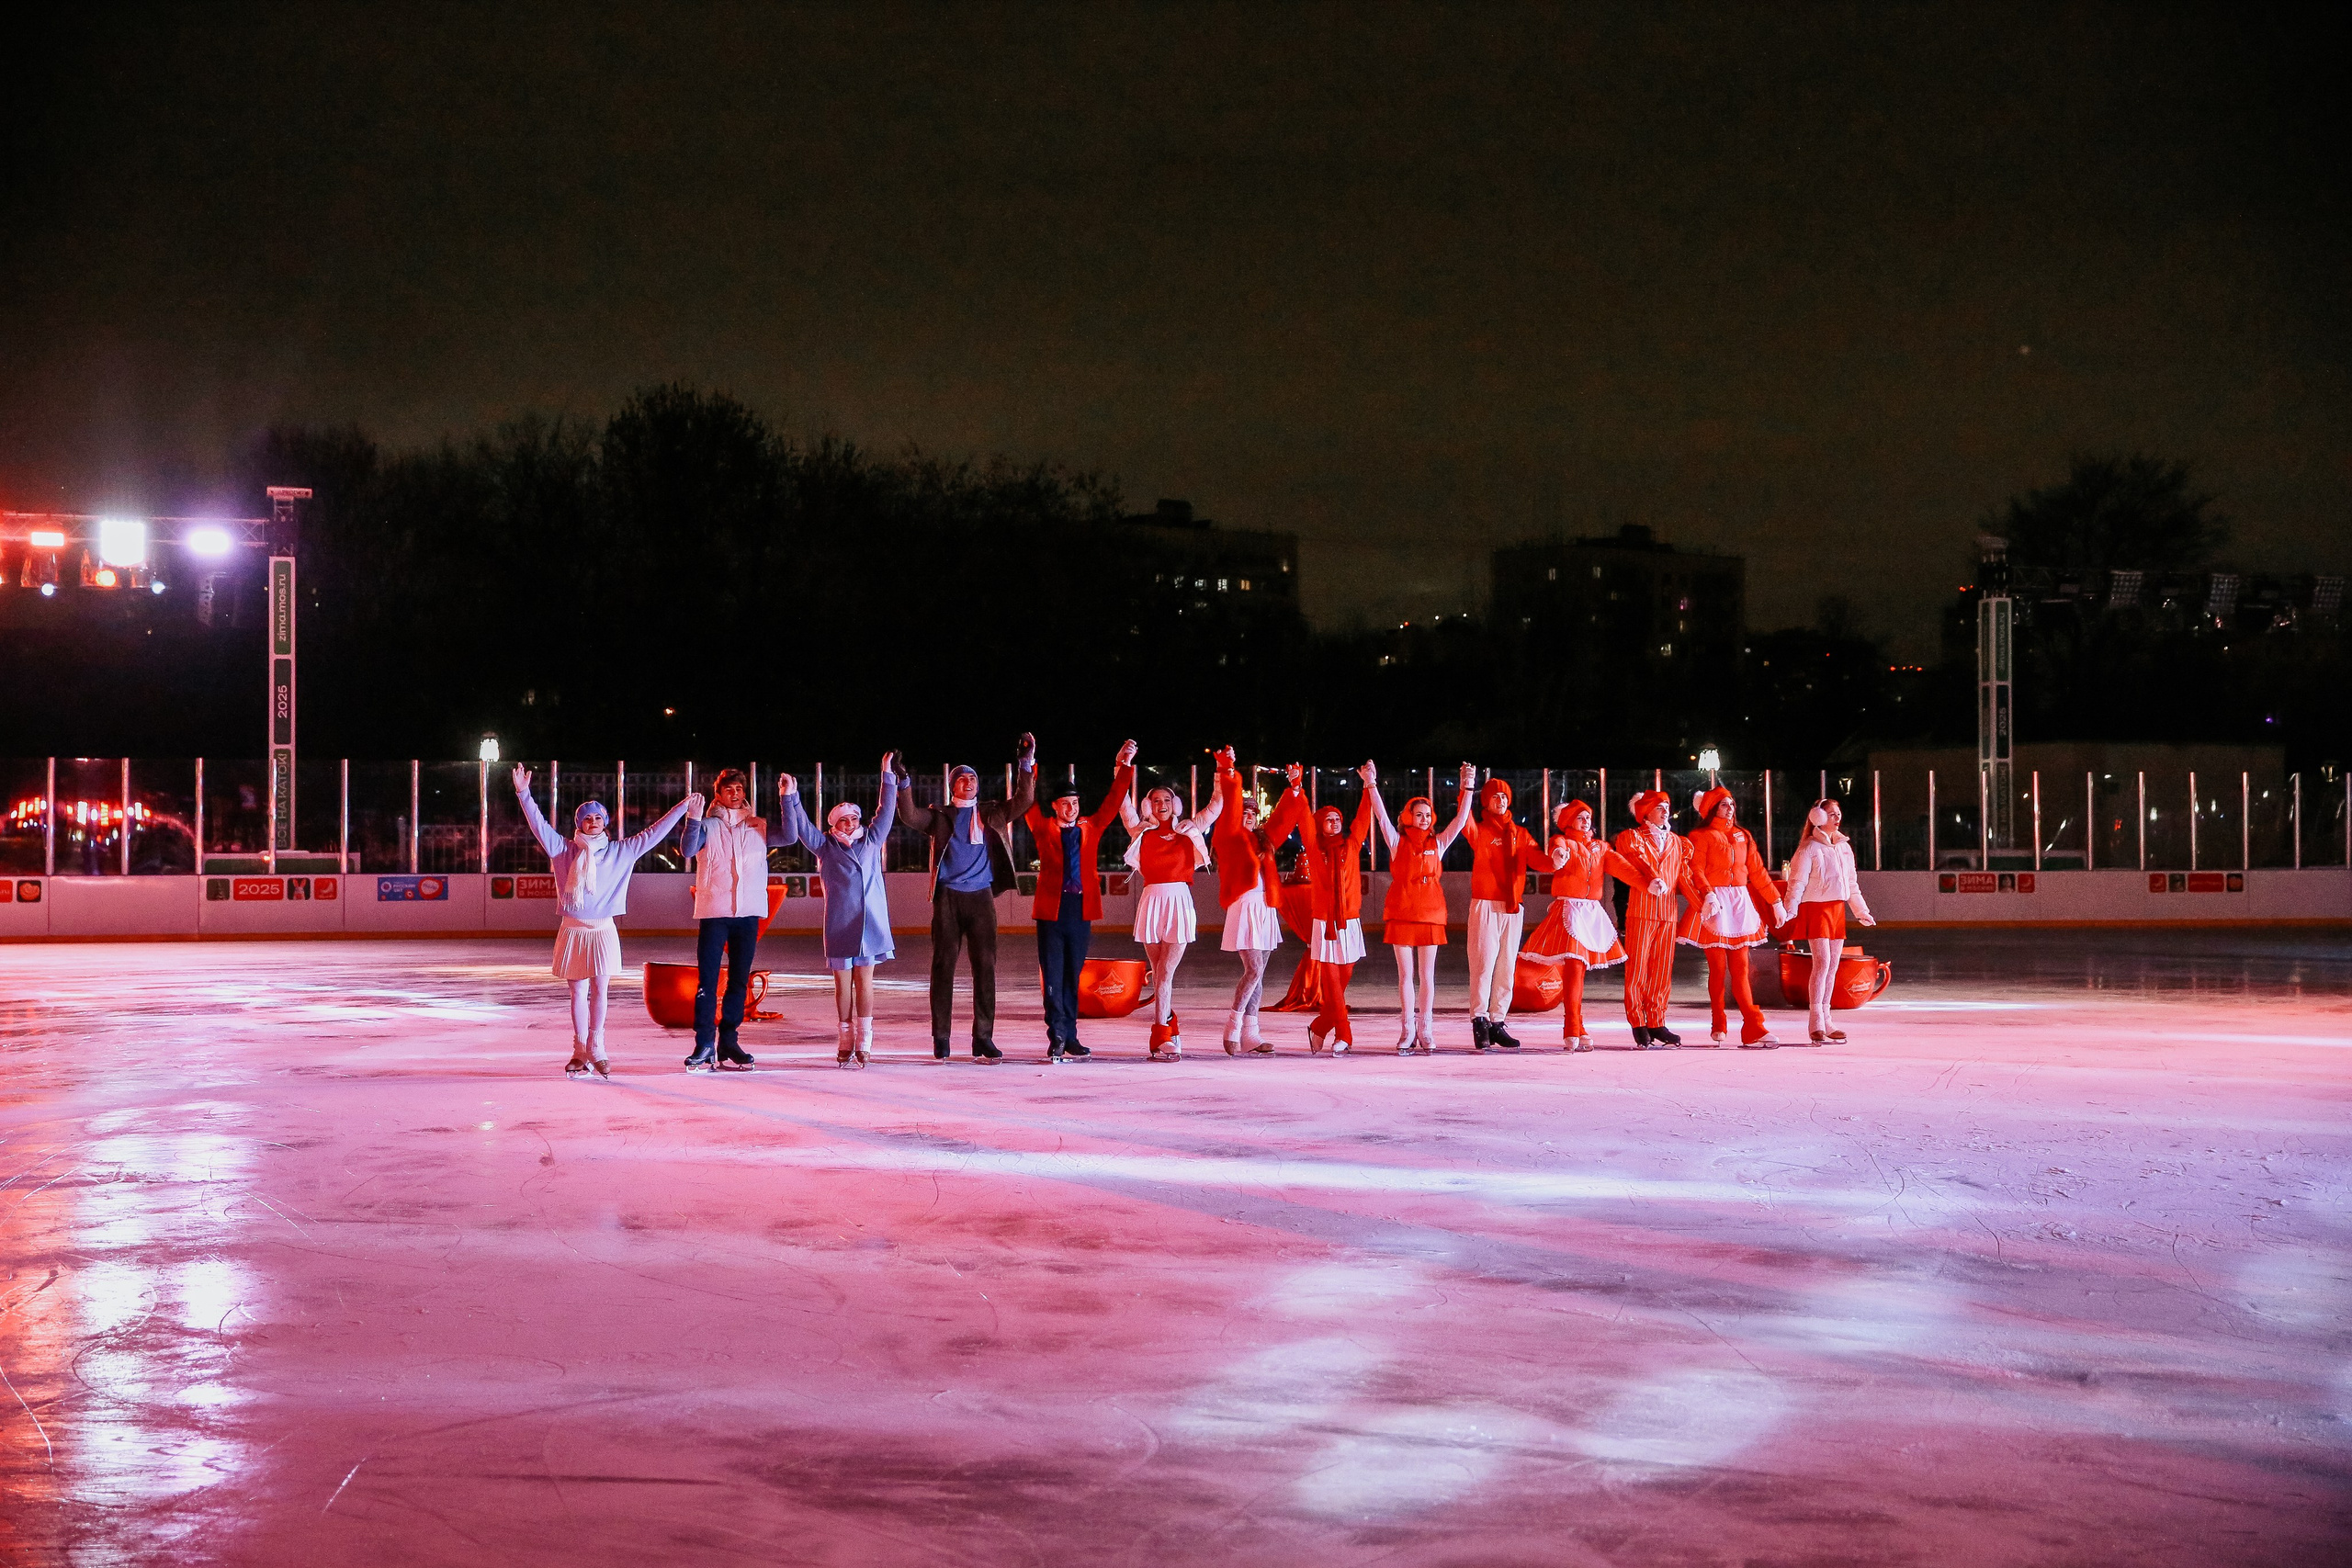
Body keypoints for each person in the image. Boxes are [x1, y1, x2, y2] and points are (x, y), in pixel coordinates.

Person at [511, 765, 698, 1078]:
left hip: (603, 929)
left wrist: (682, 808)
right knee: (577, 992)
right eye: (587, 817)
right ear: (579, 823)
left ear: (605, 822)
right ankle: (579, 1050)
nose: (593, 822)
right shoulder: (563, 850)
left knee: (600, 989)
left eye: (598, 817)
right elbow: (538, 825)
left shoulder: (621, 852)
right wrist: (523, 793)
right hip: (572, 929)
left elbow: (655, 831)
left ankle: (597, 1047)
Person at [898, 736, 1037, 1062]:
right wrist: (903, 781)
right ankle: (941, 1038)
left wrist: (1026, 763)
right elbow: (908, 816)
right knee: (943, 966)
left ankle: (983, 1038)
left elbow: (1024, 798)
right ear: (952, 787)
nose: (968, 781)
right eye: (961, 778)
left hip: (981, 898)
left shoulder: (992, 813)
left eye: (972, 777)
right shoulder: (940, 816)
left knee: (985, 967)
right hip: (947, 897)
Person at [776, 757, 900, 1066]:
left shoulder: (871, 839)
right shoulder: (826, 846)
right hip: (840, 923)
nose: (851, 823)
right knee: (843, 983)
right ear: (833, 824)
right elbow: (803, 827)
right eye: (844, 820)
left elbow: (886, 811)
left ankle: (865, 1039)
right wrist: (790, 797)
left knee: (866, 982)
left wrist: (886, 773)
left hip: (869, 923)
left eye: (855, 818)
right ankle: (845, 1038)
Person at [1023, 741, 1137, 1062]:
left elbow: (1114, 800)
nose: (1072, 808)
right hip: (1051, 912)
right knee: (1053, 975)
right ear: (1055, 806)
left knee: (1072, 976)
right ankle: (1057, 1034)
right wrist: (1029, 765)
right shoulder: (1042, 827)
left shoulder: (1091, 826)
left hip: (1080, 910)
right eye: (1065, 803)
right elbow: (1027, 801)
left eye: (1075, 802)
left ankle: (1069, 1035)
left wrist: (1124, 764)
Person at [678, 767, 792, 1071]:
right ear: (718, 794)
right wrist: (693, 818)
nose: (735, 793)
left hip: (748, 913)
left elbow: (791, 836)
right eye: (729, 789)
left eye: (740, 789)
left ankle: (729, 1041)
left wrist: (787, 797)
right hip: (715, 913)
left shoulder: (757, 825)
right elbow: (687, 849)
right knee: (708, 981)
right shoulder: (707, 826)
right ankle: (704, 1044)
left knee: (739, 980)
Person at [1369, 763, 1477, 1054]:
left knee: (1427, 976)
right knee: (1406, 976)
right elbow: (1380, 817)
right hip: (1402, 912)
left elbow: (1461, 818)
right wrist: (1371, 784)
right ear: (1408, 818)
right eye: (1418, 815)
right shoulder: (1397, 842)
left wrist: (1468, 786)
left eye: (1427, 815)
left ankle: (1426, 1030)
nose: (1424, 819)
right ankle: (1407, 1031)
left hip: (1430, 914)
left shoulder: (1438, 843)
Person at [1520, 800, 1645, 1052]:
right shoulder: (1563, 841)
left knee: (1578, 971)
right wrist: (1557, 857)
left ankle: (1578, 1025)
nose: (1586, 821)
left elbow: (1623, 868)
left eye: (1588, 817)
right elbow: (1556, 850)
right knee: (1575, 968)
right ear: (1568, 822)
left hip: (1591, 912)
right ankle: (1572, 1026)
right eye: (1580, 817)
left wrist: (1647, 883)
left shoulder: (1600, 847)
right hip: (1570, 910)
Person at [1121, 764, 1226, 1059]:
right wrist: (1122, 767)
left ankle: (1161, 1037)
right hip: (1151, 901)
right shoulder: (1140, 830)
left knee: (1165, 974)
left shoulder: (1188, 829)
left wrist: (1220, 771)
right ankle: (1169, 1026)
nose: (1162, 805)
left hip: (1179, 902)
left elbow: (1216, 805)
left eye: (1167, 800)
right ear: (1149, 806)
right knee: (1161, 977)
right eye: (1156, 801)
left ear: (1174, 804)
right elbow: (1122, 802)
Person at [1679, 784, 1792, 1048]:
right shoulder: (1700, 836)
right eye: (1724, 804)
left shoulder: (1743, 835)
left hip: (1739, 903)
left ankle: (1753, 1026)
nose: (1730, 807)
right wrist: (1707, 894)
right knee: (1718, 970)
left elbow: (1757, 871)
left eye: (1731, 803)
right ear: (1711, 809)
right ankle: (1718, 1022)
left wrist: (1775, 900)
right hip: (1716, 904)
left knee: (1741, 970)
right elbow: (1696, 869)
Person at [1209, 751, 1308, 1054]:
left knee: (1260, 973)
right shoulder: (1227, 837)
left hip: (1265, 907)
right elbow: (1229, 813)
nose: (1249, 815)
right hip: (1243, 906)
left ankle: (1251, 1033)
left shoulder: (1264, 840)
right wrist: (1226, 771)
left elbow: (1283, 819)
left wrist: (1294, 788)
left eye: (1253, 813)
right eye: (1244, 811)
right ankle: (1233, 1025)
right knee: (1253, 969)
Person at [1460, 773, 1544, 1050]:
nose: (1501, 800)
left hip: (1512, 906)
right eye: (1495, 796)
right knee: (1483, 964)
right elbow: (1464, 819)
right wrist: (1467, 786)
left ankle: (1497, 1021)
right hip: (1485, 903)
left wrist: (1557, 860)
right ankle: (1479, 1019)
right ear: (1486, 800)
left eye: (1505, 796)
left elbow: (1537, 859)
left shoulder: (1520, 834)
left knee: (1507, 967)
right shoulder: (1480, 831)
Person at [1783, 798, 1876, 1043]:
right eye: (1831, 814)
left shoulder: (1844, 847)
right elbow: (1797, 882)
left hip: (1836, 910)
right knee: (1822, 964)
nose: (1837, 818)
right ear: (1818, 818)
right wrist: (1790, 908)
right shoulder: (1809, 848)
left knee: (1833, 966)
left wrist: (1861, 911)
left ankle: (1827, 1019)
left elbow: (1852, 884)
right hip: (1816, 909)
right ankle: (1815, 1021)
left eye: (1838, 813)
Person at [1298, 767, 1377, 1054]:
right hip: (1324, 923)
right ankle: (1344, 1035)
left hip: (1350, 921)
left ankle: (1320, 1026)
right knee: (1332, 986)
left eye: (1337, 819)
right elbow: (1303, 819)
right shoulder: (1312, 847)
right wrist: (1298, 788)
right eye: (1328, 819)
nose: (1334, 822)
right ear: (1319, 824)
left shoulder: (1352, 844)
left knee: (1340, 985)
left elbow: (1363, 818)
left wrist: (1370, 785)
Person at [1612, 789, 1690, 1048]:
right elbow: (1636, 858)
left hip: (1668, 914)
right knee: (1637, 968)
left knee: (1661, 970)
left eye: (1667, 806)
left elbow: (1685, 878)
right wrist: (1651, 877)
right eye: (1659, 807)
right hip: (1642, 911)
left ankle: (1657, 1020)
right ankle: (1638, 1021)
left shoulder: (1677, 841)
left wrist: (1705, 903)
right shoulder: (1632, 837)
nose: (1665, 810)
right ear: (1645, 812)